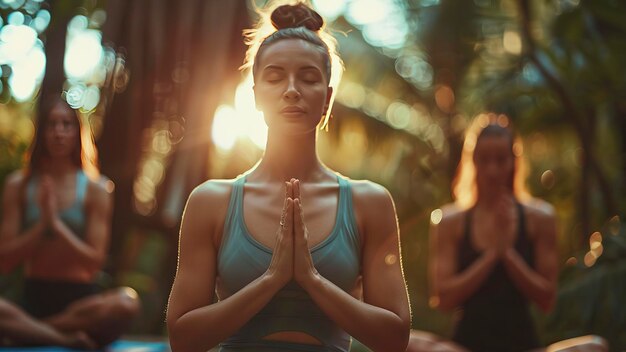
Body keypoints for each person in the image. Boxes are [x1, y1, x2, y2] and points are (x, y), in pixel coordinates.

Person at [166, 2, 411, 352]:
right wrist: (272, 279)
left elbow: (394, 338)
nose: (292, 89)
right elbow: (182, 339)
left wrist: (311, 280)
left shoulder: (369, 203)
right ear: (254, 97)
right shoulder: (211, 202)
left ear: (326, 99)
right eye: (275, 76)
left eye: (309, 78)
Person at [0, 96, 140, 348]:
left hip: (80, 303)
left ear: (78, 132)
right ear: (41, 132)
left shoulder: (97, 188)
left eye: (66, 124)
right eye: (51, 125)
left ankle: (29, 331)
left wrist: (56, 224)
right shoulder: (18, 185)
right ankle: (64, 338)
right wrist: (42, 225)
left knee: (126, 302)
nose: (59, 132)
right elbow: (6, 260)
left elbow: (94, 262)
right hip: (32, 296)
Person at [429, 113, 559, 352]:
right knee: (412, 343)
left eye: (500, 160)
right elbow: (444, 299)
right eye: (484, 159)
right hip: (465, 347)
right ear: (473, 161)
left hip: (522, 345)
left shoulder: (540, 218)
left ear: (514, 162)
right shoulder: (449, 221)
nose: (492, 170)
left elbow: (547, 299)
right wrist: (492, 255)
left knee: (595, 346)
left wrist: (507, 254)